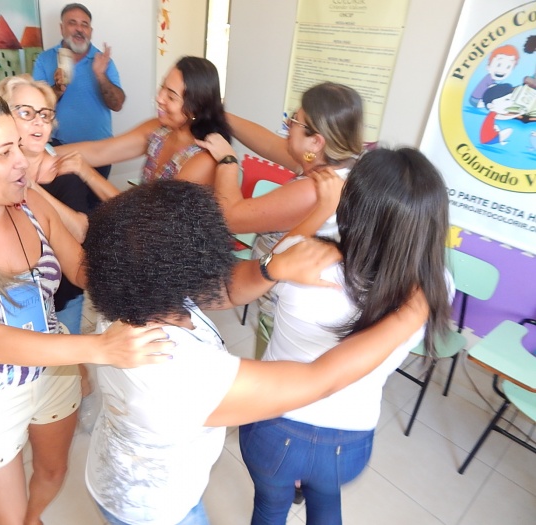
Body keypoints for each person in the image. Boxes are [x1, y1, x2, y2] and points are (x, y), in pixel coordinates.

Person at [0, 88, 172, 525]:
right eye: (4, 153)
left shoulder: (30, 204)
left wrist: (149, 271)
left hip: (53, 370)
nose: (23, 162)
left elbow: (81, 270)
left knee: (52, 472)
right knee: (5, 515)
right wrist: (100, 348)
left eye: (19, 147)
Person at [81, 179, 430, 525]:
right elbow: (320, 379)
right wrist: (411, 314)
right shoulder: (178, 369)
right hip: (156, 510)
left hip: (122, 471)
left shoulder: (129, 300)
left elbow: (228, 292)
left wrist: (271, 267)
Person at [236, 147, 452, 525]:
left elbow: (273, 259)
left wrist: (323, 205)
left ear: (351, 208)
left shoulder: (304, 257)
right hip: (351, 438)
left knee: (269, 506)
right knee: (326, 502)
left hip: (273, 419)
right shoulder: (437, 286)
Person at [197, 82, 364, 358]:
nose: (288, 125)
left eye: (295, 120)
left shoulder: (313, 189)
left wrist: (227, 161)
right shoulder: (336, 165)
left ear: (316, 141)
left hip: (286, 309)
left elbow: (231, 217)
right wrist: (219, 113)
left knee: (273, 363)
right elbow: (270, 144)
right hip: (301, 299)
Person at [0, 74, 119, 335]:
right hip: (12, 296)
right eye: (26, 112)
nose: (38, 121)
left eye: (45, 114)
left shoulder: (64, 172)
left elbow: (81, 231)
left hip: (64, 295)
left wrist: (33, 188)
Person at [58, 56, 231, 185]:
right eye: (162, 87)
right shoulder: (159, 130)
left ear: (195, 109)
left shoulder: (203, 159)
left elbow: (153, 219)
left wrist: (86, 173)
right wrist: (46, 152)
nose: (159, 98)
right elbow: (100, 151)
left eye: (171, 97)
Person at [32, 2, 125, 209]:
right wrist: (57, 88)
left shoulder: (103, 61)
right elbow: (35, 109)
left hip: (100, 151)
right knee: (68, 208)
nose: (79, 29)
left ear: (90, 31)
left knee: (97, 209)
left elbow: (117, 104)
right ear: (62, 28)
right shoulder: (44, 60)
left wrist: (100, 75)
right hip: (60, 150)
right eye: (72, 23)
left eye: (84, 25)